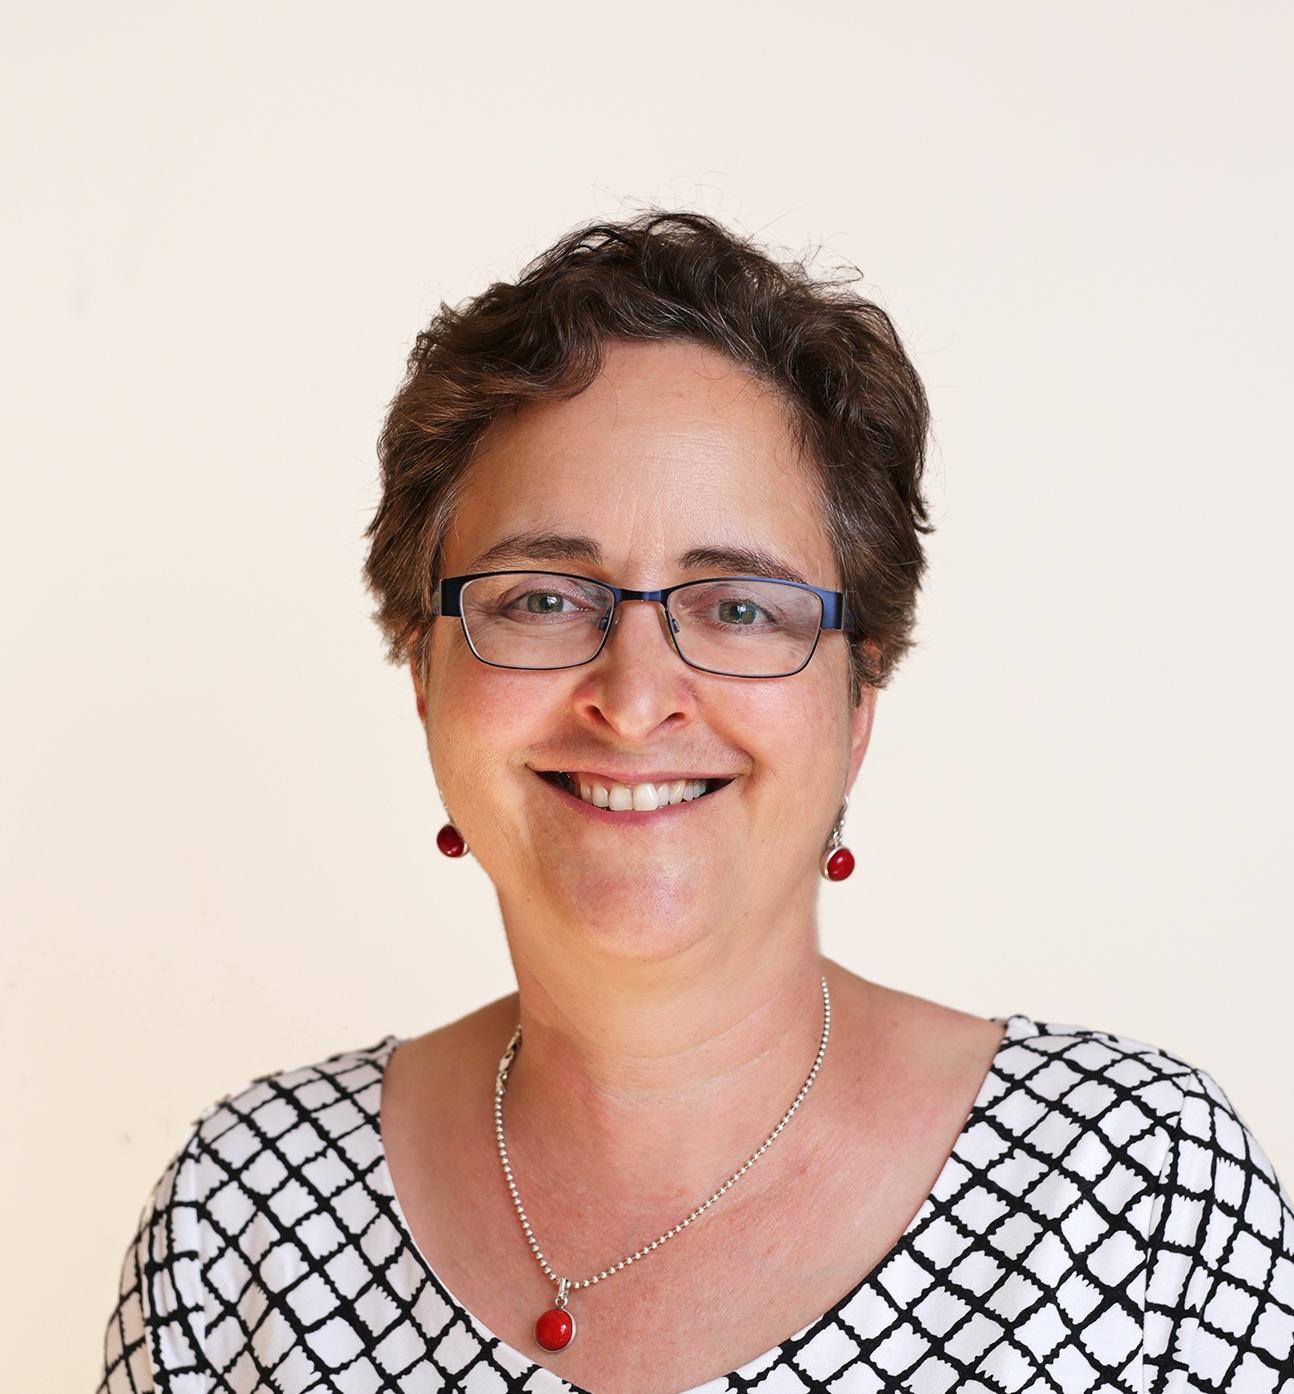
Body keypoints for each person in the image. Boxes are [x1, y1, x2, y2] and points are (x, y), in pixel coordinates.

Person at [97, 211, 1293, 1394]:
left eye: (736, 608)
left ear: (859, 694)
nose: (633, 696)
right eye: (542, 598)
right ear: (424, 671)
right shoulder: (239, 1220)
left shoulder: (1135, 1205)